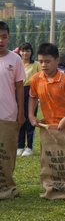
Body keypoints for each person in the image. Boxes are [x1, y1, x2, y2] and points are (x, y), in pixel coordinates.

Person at [0, 21, 25, 199]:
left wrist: (21, 113)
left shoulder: (15, 59)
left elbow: (19, 88)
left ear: (9, 38)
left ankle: (6, 186)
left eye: (4, 37)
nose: (0, 40)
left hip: (8, 114)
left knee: (7, 154)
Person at [28, 43, 65, 127]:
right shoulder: (35, 79)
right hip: (48, 126)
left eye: (47, 62)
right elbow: (33, 96)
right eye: (41, 61)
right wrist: (31, 115)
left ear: (57, 60)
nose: (43, 65)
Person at [17, 43, 41, 157]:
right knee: (20, 118)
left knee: (30, 118)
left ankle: (29, 147)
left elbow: (41, 77)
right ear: (19, 52)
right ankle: (20, 146)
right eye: (22, 51)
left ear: (31, 52)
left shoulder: (36, 64)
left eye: (27, 51)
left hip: (31, 91)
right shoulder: (17, 63)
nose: (25, 53)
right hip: (19, 91)